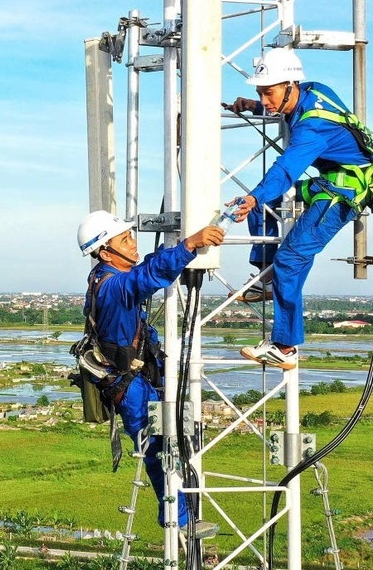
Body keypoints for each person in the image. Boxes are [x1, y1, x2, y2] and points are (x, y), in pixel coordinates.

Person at [223, 48, 373, 370]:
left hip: (344, 191)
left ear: (290, 84)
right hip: (331, 180)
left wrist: (254, 197)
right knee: (267, 203)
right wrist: (255, 107)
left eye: (269, 92)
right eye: (259, 93)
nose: (265, 100)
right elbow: (291, 110)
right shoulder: (314, 90)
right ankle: (267, 278)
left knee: (290, 257)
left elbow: (286, 169)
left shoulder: (313, 127)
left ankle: (285, 348)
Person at [76, 210, 222, 539]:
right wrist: (188, 246)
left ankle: (182, 506)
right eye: (124, 239)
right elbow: (145, 278)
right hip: (128, 385)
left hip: (140, 375)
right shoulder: (114, 286)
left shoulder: (105, 275)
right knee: (158, 446)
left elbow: (144, 271)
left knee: (176, 431)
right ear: (104, 251)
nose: (133, 242)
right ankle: (177, 515)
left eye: (130, 236)